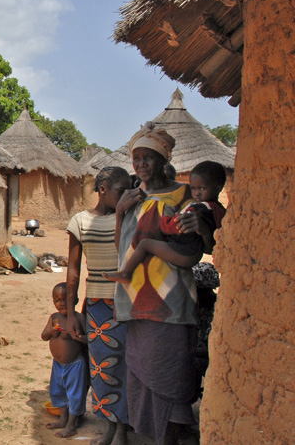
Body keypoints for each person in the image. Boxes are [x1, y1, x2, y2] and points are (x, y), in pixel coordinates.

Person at [112, 122, 201, 445]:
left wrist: (196, 226)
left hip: (172, 299)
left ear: (163, 161)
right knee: (140, 371)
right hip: (135, 298)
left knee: (171, 370)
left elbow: (195, 244)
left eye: (148, 158)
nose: (141, 165)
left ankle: (172, 436)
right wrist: (121, 212)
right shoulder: (131, 196)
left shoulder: (182, 194)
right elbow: (121, 247)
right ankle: (151, 436)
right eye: (136, 159)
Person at [65, 166, 132, 445]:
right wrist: (70, 312)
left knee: (128, 366)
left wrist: (122, 214)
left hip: (129, 303)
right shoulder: (80, 221)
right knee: (102, 368)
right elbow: (72, 270)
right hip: (98, 306)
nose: (126, 195)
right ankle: (110, 427)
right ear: (102, 190)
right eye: (121, 190)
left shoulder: (129, 217)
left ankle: (123, 430)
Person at [104, 160, 226, 285]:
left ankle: (126, 273)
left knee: (145, 243)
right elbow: (122, 247)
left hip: (183, 254)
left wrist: (163, 224)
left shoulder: (197, 207)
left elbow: (210, 245)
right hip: (182, 258)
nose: (197, 193)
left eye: (201, 188)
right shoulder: (220, 210)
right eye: (193, 188)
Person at [41, 282, 88, 439]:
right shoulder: (54, 318)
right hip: (58, 365)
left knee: (74, 394)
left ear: (75, 300)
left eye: (65, 299)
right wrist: (52, 332)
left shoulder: (80, 318)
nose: (61, 303)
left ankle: (71, 425)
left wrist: (78, 337)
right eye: (57, 300)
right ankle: (63, 418)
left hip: (75, 365)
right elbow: (43, 336)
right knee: (57, 391)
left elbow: (91, 339)